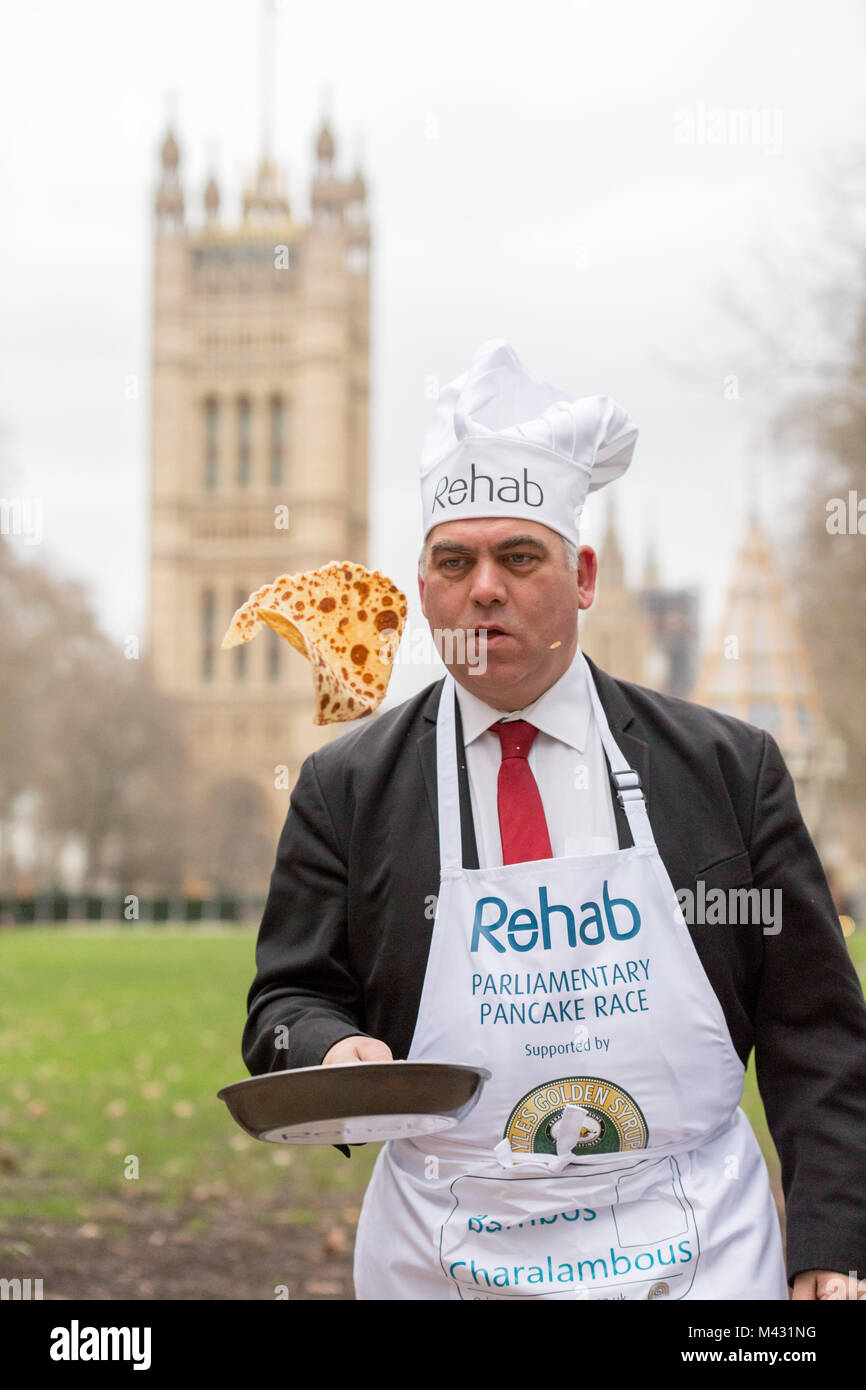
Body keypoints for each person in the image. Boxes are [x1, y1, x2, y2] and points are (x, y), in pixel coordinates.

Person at [242, 339, 866, 1301]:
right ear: (422, 587)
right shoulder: (346, 788)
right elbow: (284, 1005)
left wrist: (832, 1245)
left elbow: (815, 1031)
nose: (482, 586)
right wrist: (332, 1050)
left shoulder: (727, 770)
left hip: (695, 1253)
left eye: (517, 556)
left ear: (582, 576)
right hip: (443, 1258)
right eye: (453, 561)